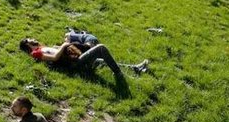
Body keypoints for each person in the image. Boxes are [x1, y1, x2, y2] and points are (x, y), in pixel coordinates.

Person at [19, 38, 148, 77]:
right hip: (73, 64)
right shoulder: (35, 53)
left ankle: (135, 68)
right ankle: (119, 74)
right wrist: (63, 46)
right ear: (27, 45)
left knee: (102, 61)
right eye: (30, 39)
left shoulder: (42, 47)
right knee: (101, 48)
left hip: (74, 59)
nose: (34, 39)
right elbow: (54, 58)